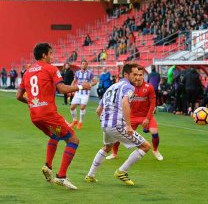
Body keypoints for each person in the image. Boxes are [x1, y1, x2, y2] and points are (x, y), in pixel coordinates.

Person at [16, 43, 91, 190]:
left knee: (55, 135)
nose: (52, 56)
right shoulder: (51, 69)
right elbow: (63, 89)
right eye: (51, 53)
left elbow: (18, 96)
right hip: (48, 113)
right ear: (44, 55)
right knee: (73, 140)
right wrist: (82, 86)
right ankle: (61, 176)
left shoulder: (27, 72)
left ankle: (48, 166)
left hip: (35, 116)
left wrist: (32, 104)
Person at [84, 63, 151, 186]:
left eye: (138, 75)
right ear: (126, 74)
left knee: (107, 148)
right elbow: (125, 103)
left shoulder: (111, 87)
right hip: (117, 125)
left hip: (105, 124)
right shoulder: (128, 87)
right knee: (145, 147)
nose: (137, 77)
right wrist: (129, 126)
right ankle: (122, 171)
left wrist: (105, 123)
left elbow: (98, 110)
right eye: (134, 74)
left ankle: (90, 175)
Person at [106, 66, 163, 161]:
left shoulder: (149, 87)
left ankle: (155, 150)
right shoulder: (129, 87)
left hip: (146, 116)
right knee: (118, 135)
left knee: (155, 133)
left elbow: (153, 104)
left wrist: (147, 118)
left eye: (140, 75)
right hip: (132, 117)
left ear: (143, 76)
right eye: (136, 75)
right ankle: (114, 153)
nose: (138, 77)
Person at [69, 60, 97, 130]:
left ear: (87, 65)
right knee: (72, 107)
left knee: (82, 107)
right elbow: (74, 81)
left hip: (85, 93)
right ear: (81, 65)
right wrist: (71, 89)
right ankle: (75, 120)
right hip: (78, 92)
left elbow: (95, 82)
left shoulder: (90, 73)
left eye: (86, 64)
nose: (84, 65)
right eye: (83, 64)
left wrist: (89, 85)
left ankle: (80, 122)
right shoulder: (77, 73)